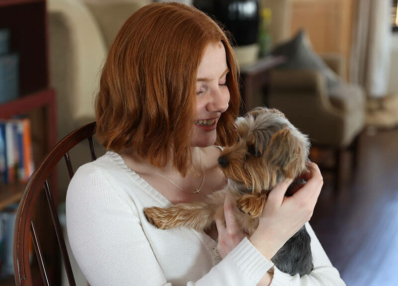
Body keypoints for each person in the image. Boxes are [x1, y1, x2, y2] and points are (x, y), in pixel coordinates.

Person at [66, 3, 346, 286]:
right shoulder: (98, 189)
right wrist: (263, 243)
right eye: (200, 89)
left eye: (223, 81)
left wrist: (263, 279)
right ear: (147, 95)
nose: (224, 103)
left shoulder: (250, 165)